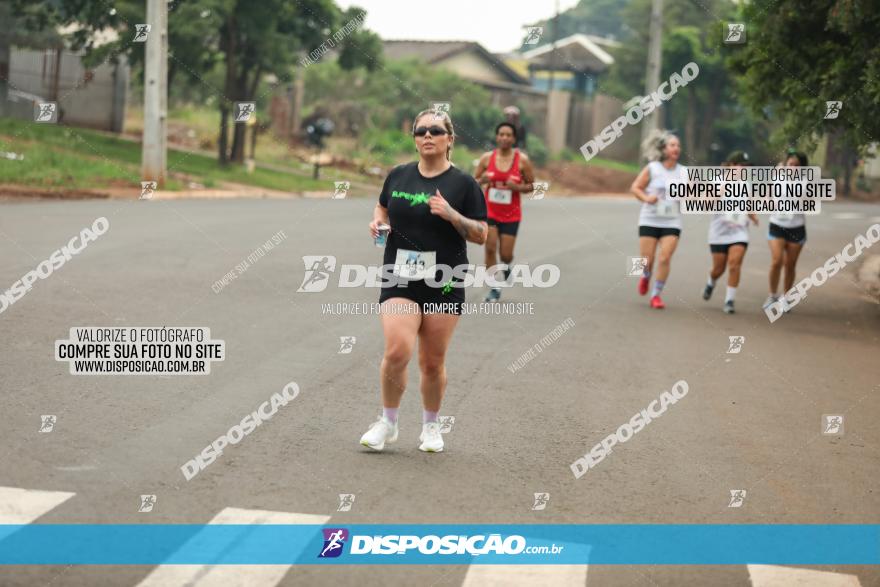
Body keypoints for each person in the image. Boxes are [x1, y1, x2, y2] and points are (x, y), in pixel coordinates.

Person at [362, 109, 488, 453]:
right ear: (415, 138)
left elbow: (481, 234)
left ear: (450, 138)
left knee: (431, 362)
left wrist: (452, 214)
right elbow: (382, 207)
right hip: (400, 275)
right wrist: (377, 223)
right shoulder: (399, 176)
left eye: (435, 130)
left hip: (445, 280)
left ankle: (431, 427)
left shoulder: (463, 184)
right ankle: (387, 423)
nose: (427, 136)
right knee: (397, 350)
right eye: (421, 131)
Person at [474, 122, 536, 302]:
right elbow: (472, 182)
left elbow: (534, 186)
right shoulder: (486, 158)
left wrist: (517, 187)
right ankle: (494, 287)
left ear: (514, 138)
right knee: (490, 248)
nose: (504, 138)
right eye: (501, 134)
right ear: (496, 137)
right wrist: (482, 180)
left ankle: (507, 265)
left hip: (511, 215)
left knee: (506, 254)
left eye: (508, 135)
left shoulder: (522, 160)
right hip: (489, 212)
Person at [629, 131, 688, 309]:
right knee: (647, 260)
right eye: (672, 145)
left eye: (678, 145)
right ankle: (645, 275)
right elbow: (636, 187)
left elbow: (693, 194)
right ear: (663, 148)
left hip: (672, 221)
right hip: (650, 218)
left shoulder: (684, 172)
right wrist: (647, 198)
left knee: (665, 258)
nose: (676, 148)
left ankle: (656, 294)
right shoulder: (653, 168)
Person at [702, 151, 758, 314]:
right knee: (718, 269)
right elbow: (706, 204)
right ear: (732, 165)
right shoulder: (717, 180)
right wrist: (721, 190)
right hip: (719, 232)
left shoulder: (745, 185)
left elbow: (748, 205)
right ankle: (711, 282)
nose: (745, 169)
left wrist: (753, 217)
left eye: (747, 167)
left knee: (734, 264)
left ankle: (729, 300)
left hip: (739, 231)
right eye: (742, 166)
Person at [764, 150, 808, 312]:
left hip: (797, 228)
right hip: (777, 225)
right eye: (791, 164)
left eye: (797, 165)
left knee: (790, 264)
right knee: (777, 261)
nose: (794, 168)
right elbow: (768, 196)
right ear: (786, 164)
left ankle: (786, 297)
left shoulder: (805, 182)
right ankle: (772, 295)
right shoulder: (777, 177)